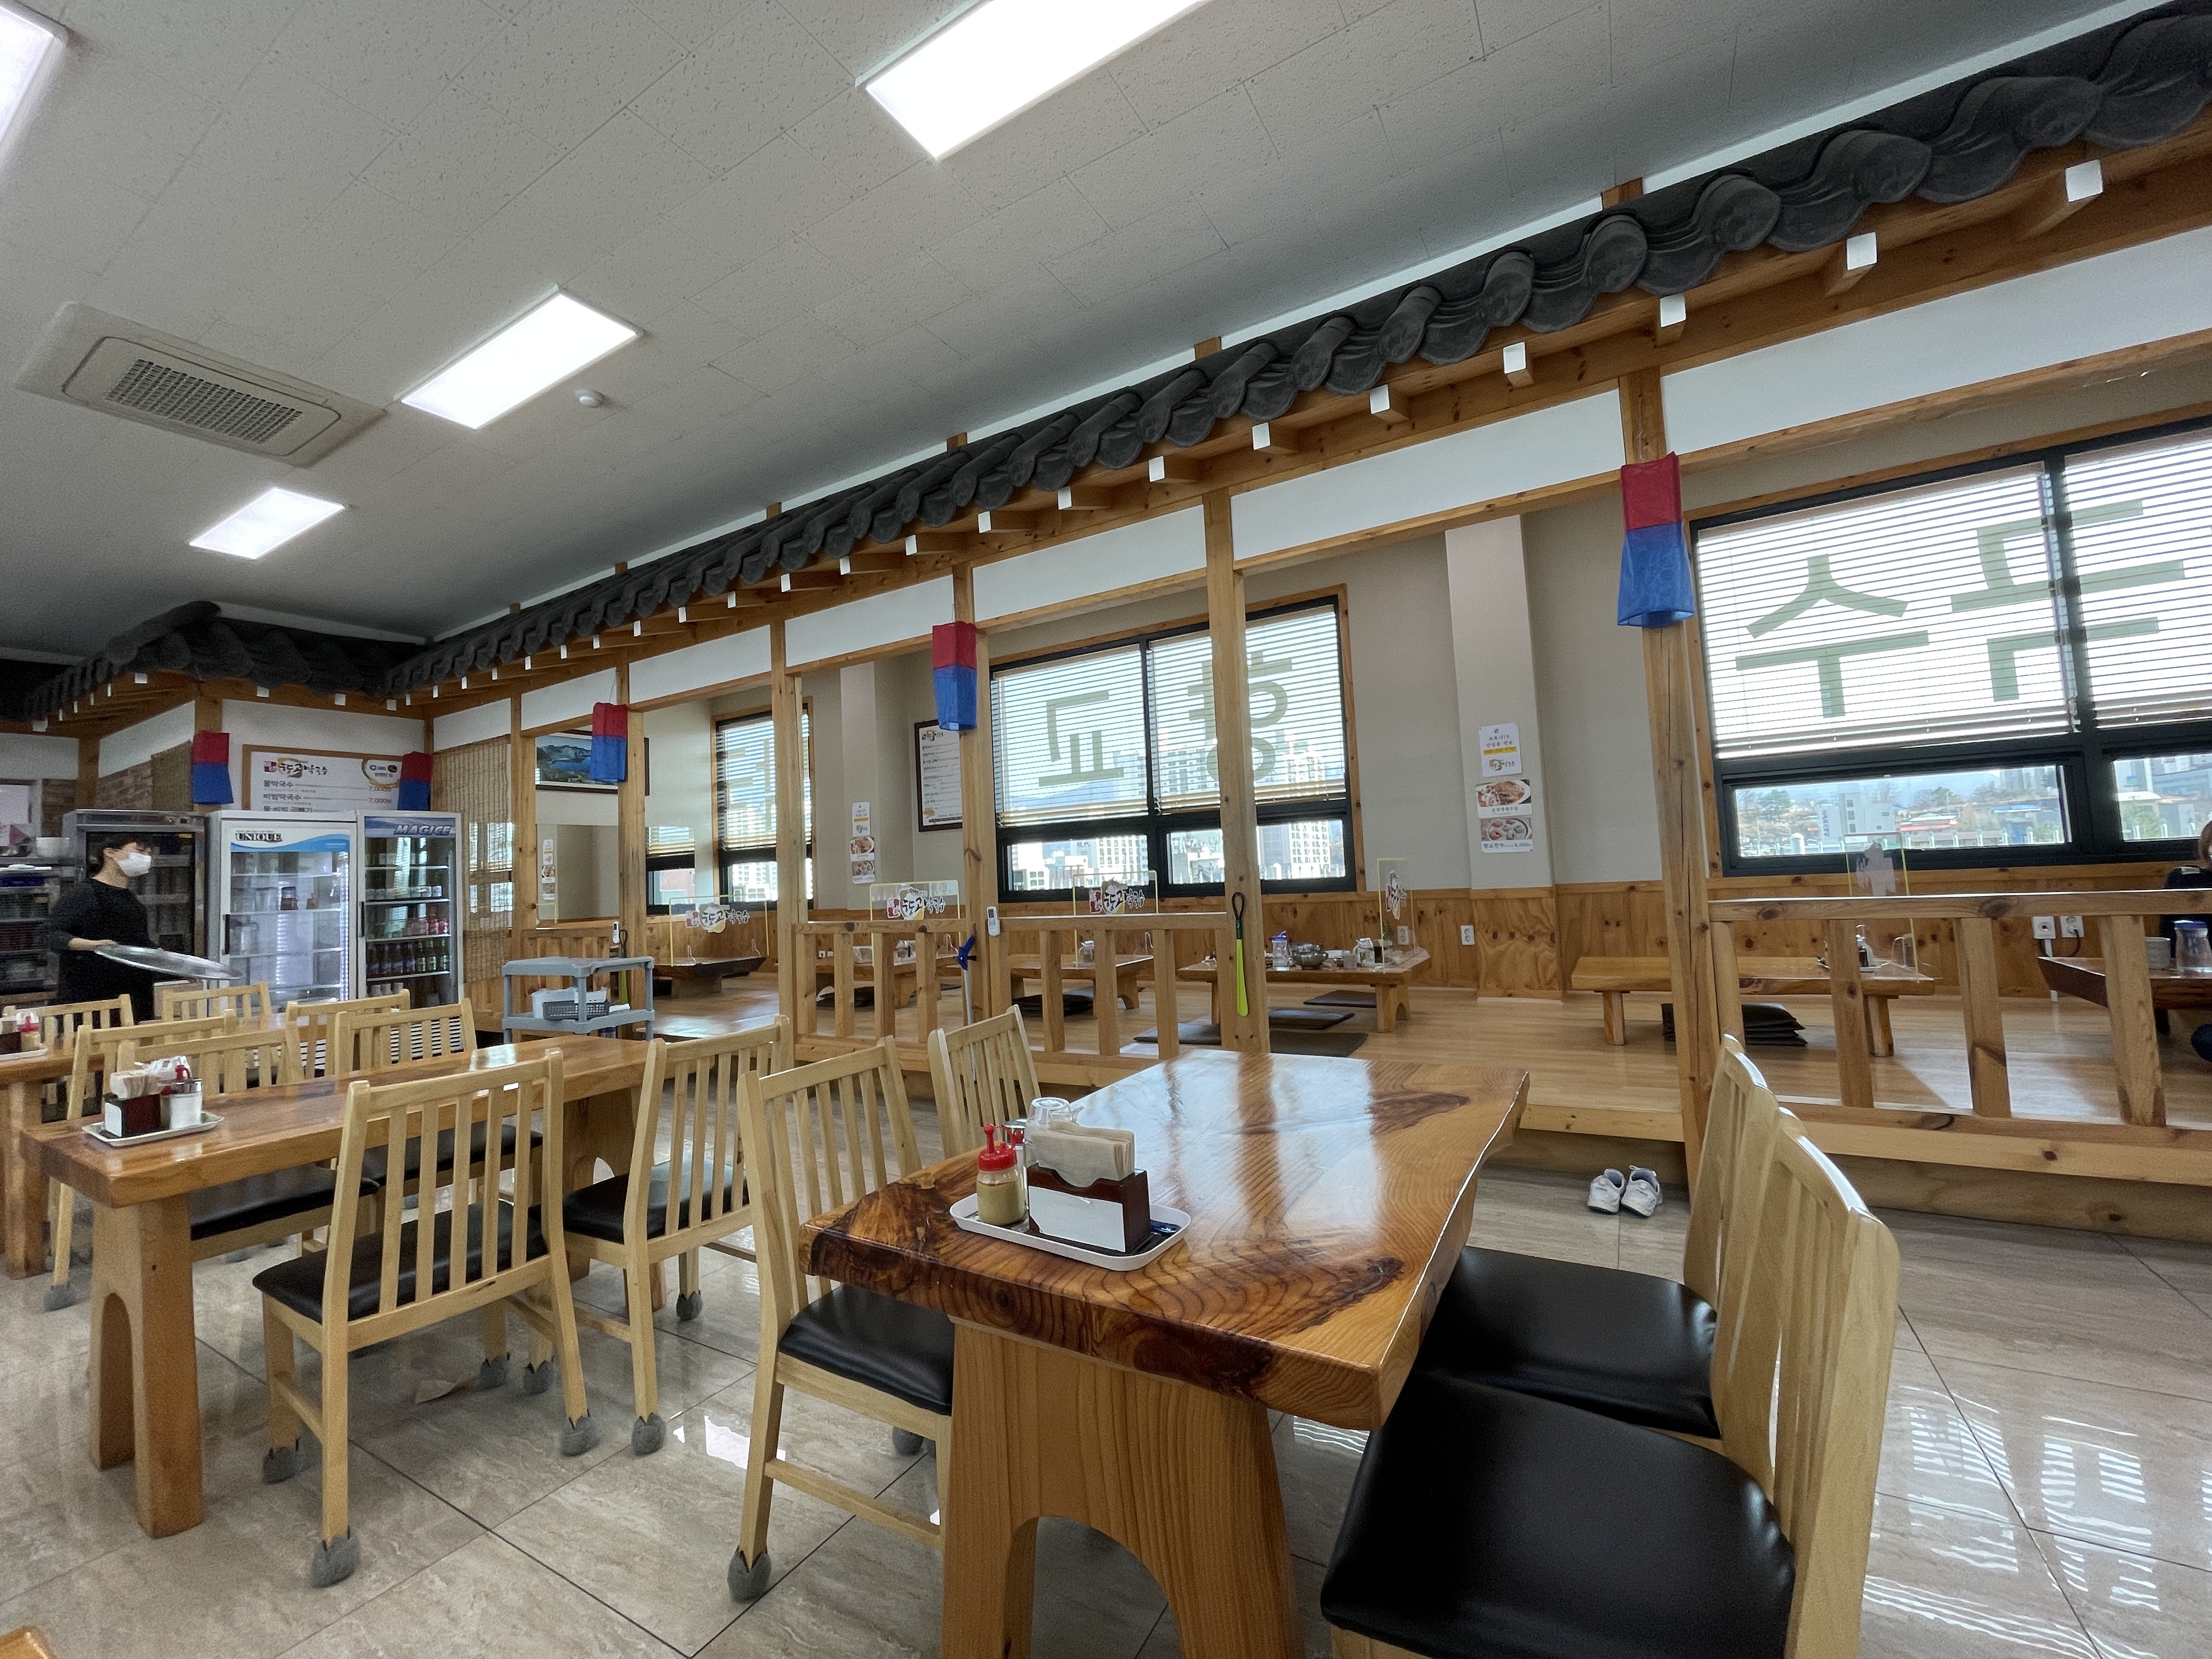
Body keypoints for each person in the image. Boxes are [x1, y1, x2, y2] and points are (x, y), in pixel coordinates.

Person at [44, 834, 162, 1018]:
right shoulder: (84, 894)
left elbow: (138, 942)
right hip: (93, 998)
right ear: (110, 853)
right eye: (139, 851)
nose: (145, 857)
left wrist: (172, 963)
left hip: (135, 997)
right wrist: (93, 945)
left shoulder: (131, 900)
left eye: (149, 853)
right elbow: (51, 935)